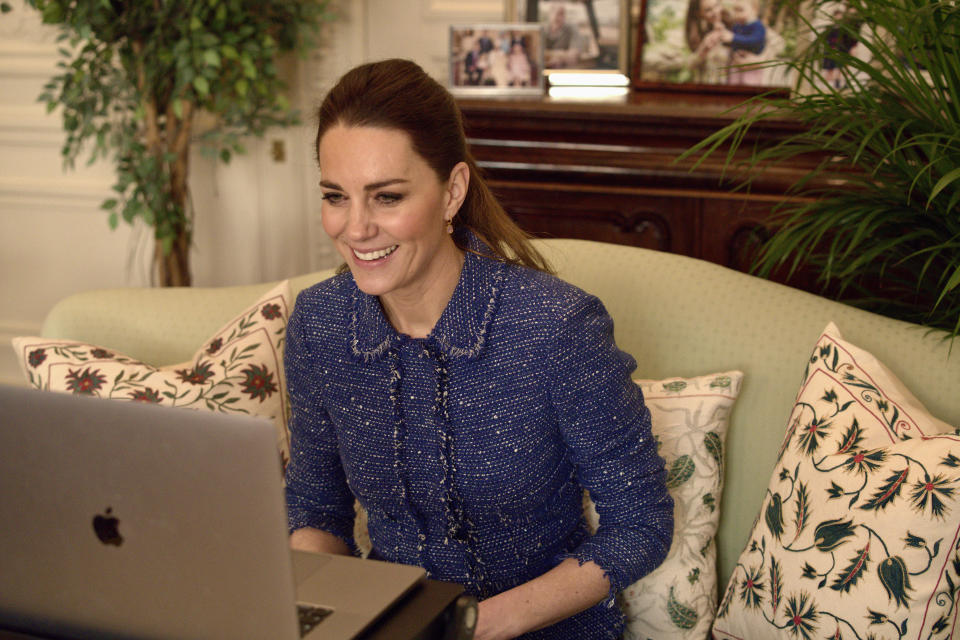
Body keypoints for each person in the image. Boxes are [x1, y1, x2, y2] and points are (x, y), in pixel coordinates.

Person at [284, 58, 673, 640]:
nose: (355, 228)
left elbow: (641, 522)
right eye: (336, 196)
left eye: (386, 197)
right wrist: (327, 619)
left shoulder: (556, 326)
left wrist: (470, 626)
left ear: (452, 192)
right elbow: (317, 511)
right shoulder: (319, 325)